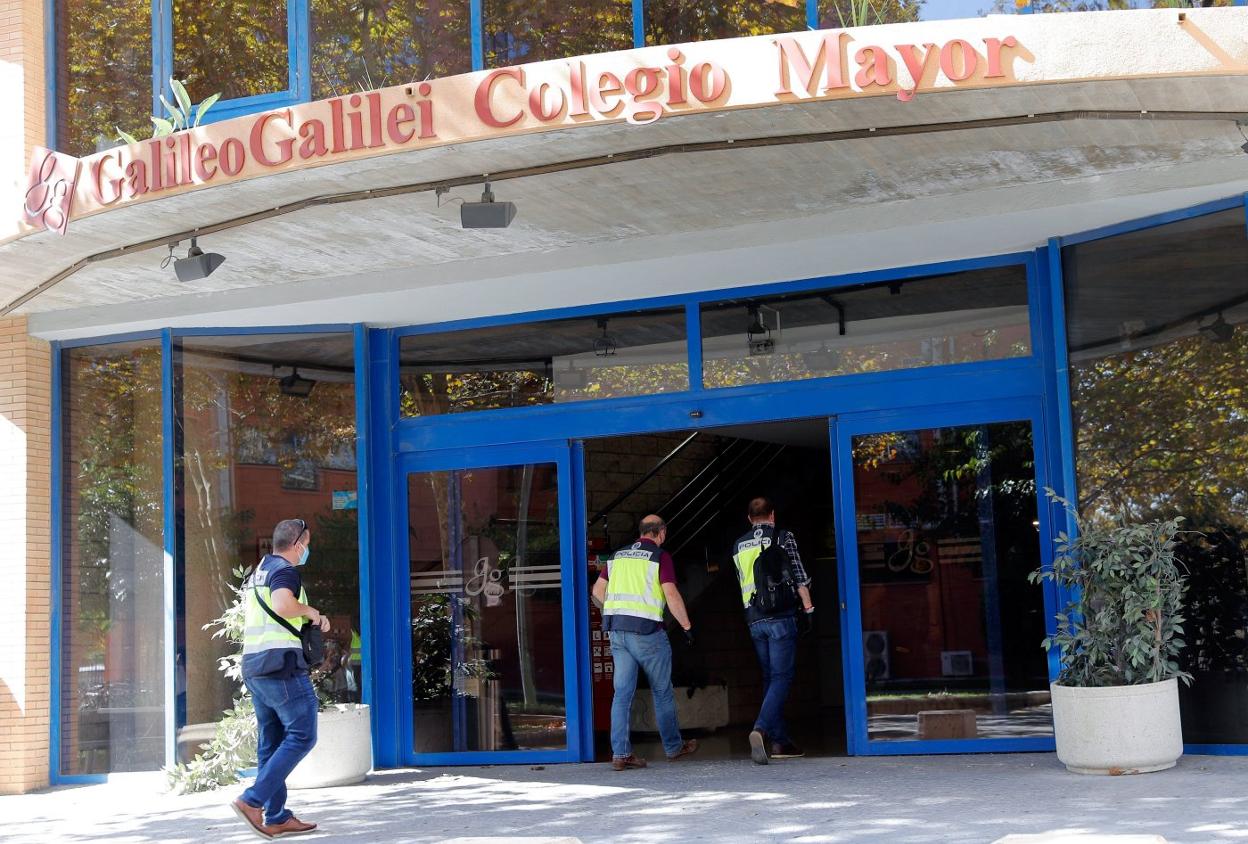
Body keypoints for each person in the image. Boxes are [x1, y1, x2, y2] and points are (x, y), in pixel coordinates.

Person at [230, 518, 331, 838]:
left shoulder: (261, 570)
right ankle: (253, 801)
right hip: (281, 666)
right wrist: (311, 611)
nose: (308, 550)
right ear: (298, 543)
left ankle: (275, 816)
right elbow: (283, 605)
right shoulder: (285, 570)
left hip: (256, 666)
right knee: (303, 734)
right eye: (307, 543)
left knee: (271, 744)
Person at [591, 515, 699, 771]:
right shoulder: (660, 556)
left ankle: (620, 754)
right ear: (661, 532)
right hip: (648, 633)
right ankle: (673, 748)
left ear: (641, 532)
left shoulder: (617, 556)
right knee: (662, 691)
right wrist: (687, 626)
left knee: (622, 695)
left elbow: (596, 591)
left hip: (617, 632)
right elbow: (671, 594)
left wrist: (613, 613)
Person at [731, 497, 815, 765]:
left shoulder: (738, 545)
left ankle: (780, 742)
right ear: (773, 515)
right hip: (780, 616)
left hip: (754, 620)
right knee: (782, 676)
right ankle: (761, 728)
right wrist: (809, 608)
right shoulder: (782, 536)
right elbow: (798, 574)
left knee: (770, 677)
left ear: (749, 519)